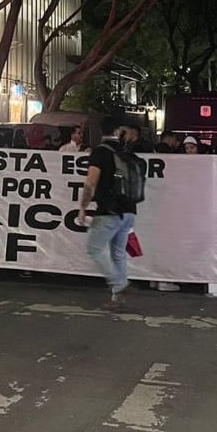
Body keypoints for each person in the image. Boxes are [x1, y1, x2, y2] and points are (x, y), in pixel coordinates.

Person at [79, 120, 144, 309]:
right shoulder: (126, 152)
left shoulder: (100, 152)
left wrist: (83, 206)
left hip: (109, 210)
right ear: (118, 131)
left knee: (94, 249)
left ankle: (120, 285)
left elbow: (91, 182)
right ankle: (117, 297)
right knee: (118, 253)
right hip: (129, 210)